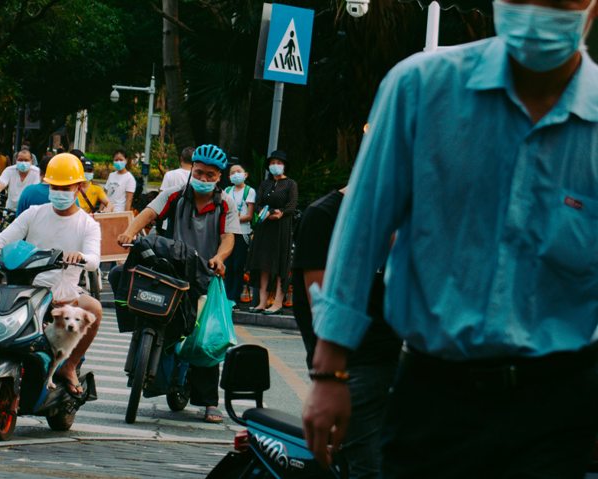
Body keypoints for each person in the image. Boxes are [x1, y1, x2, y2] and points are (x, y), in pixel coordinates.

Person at [302, 1, 598, 477]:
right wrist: (329, 372)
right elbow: (363, 228)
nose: (538, 10)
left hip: (558, 406)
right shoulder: (422, 87)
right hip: (434, 396)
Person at [115, 144, 239, 423]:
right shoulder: (173, 195)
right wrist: (128, 232)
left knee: (206, 338)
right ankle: (147, 372)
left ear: (219, 177)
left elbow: (229, 237)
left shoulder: (226, 203)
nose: (203, 178)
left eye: (210, 175)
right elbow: (148, 214)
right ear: (191, 170)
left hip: (204, 273)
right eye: (199, 172)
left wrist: (220, 258)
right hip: (170, 267)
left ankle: (209, 403)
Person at [292, 187, 401, 479]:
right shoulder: (324, 215)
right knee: (368, 470)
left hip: (399, 362)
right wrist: (329, 377)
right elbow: (321, 304)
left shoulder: (401, 215)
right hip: (355, 366)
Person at [0, 153, 102, 395]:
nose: (59, 192)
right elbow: (2, 240)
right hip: (25, 290)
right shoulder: (34, 213)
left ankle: (68, 366)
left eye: (65, 187)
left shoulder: (88, 224)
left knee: (95, 309)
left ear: (79, 187)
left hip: (65, 295)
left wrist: (79, 257)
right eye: (55, 187)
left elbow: (93, 260)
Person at [246, 150, 297, 314]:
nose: (275, 165)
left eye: (279, 162)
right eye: (273, 162)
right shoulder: (264, 184)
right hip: (264, 227)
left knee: (280, 263)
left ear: (285, 166)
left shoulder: (290, 184)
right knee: (263, 264)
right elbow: (258, 202)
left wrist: (280, 213)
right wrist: (265, 212)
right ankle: (262, 302)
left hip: (281, 228)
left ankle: (278, 302)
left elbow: (292, 205)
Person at [222, 164, 255, 303]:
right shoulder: (227, 190)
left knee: (238, 265)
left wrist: (233, 218)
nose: (236, 174)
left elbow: (249, 215)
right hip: (229, 232)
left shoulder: (249, 191)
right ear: (229, 177)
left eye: (239, 171)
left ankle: (234, 297)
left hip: (242, 233)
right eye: (232, 172)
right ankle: (226, 296)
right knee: (227, 265)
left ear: (245, 174)